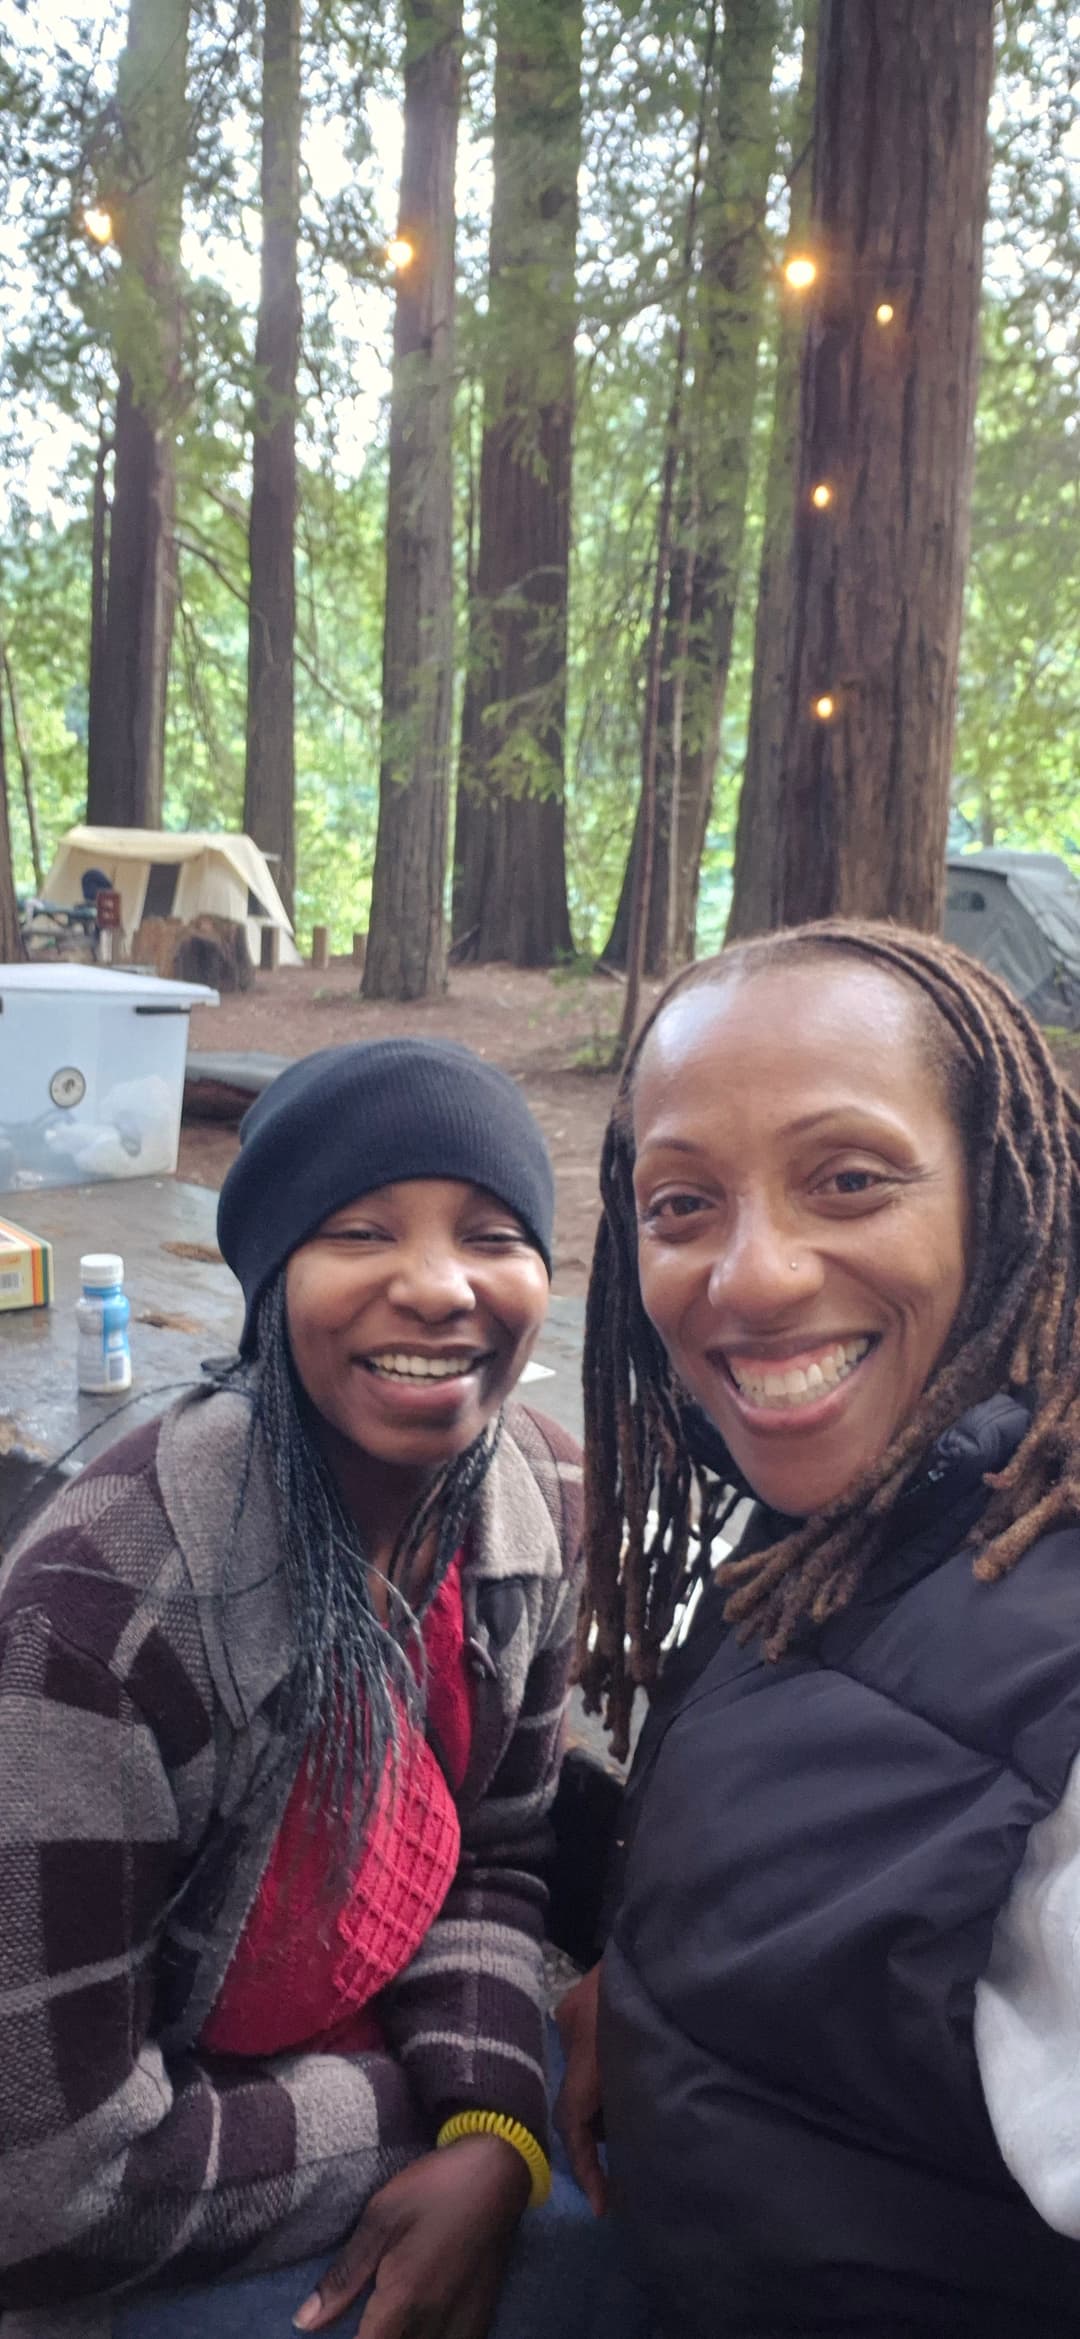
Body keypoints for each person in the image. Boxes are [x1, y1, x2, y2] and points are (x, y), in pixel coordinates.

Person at [0, 1038, 641, 2339]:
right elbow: (53, 2192)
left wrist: (491, 2128)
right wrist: (439, 2131)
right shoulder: (104, 1618)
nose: (439, 1285)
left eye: (492, 1232)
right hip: (142, 2189)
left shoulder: (538, 1505)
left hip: (374, 2051)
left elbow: (495, 1859)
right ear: (269, 1281)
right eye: (359, 1230)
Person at [557, 921, 1080, 2339]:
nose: (757, 1275)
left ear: (1010, 1193)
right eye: (681, 1205)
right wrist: (661, 1986)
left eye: (848, 1181)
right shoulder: (875, 1508)